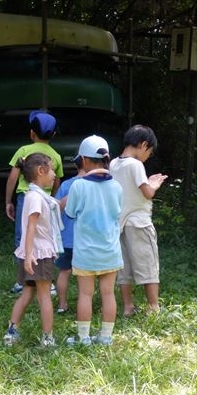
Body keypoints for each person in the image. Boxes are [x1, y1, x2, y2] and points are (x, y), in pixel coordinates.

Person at [65, 135, 123, 345]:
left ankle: (83, 338)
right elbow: (117, 213)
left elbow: (70, 213)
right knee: (108, 294)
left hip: (86, 253)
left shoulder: (78, 186)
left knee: (85, 295)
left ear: (84, 160)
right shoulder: (116, 186)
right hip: (110, 250)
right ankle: (106, 337)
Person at [2, 153, 62, 347]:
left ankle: (12, 331)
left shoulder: (34, 195)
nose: (54, 174)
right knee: (45, 296)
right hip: (38, 254)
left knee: (27, 292)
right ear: (41, 171)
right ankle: (47, 337)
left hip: (31, 254)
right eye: (52, 169)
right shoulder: (36, 197)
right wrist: (29, 256)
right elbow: (30, 228)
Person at [109, 125, 167, 316]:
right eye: (149, 152)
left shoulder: (114, 164)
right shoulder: (136, 164)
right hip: (139, 222)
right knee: (148, 263)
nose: (148, 156)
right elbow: (147, 193)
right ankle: (153, 307)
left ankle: (127, 307)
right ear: (143, 145)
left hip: (120, 223)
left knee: (123, 267)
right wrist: (154, 184)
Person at [5, 110, 63, 294]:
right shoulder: (56, 155)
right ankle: (48, 280)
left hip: (26, 197)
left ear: (32, 133)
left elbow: (13, 178)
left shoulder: (23, 151)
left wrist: (8, 201)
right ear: (54, 135)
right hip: (46, 200)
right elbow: (57, 182)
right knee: (46, 237)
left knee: (23, 237)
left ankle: (22, 280)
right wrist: (53, 197)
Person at [53, 157, 86, 314]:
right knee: (83, 273)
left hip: (66, 238)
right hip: (85, 239)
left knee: (64, 272)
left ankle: (62, 305)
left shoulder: (66, 184)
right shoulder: (93, 185)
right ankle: (83, 303)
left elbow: (55, 209)